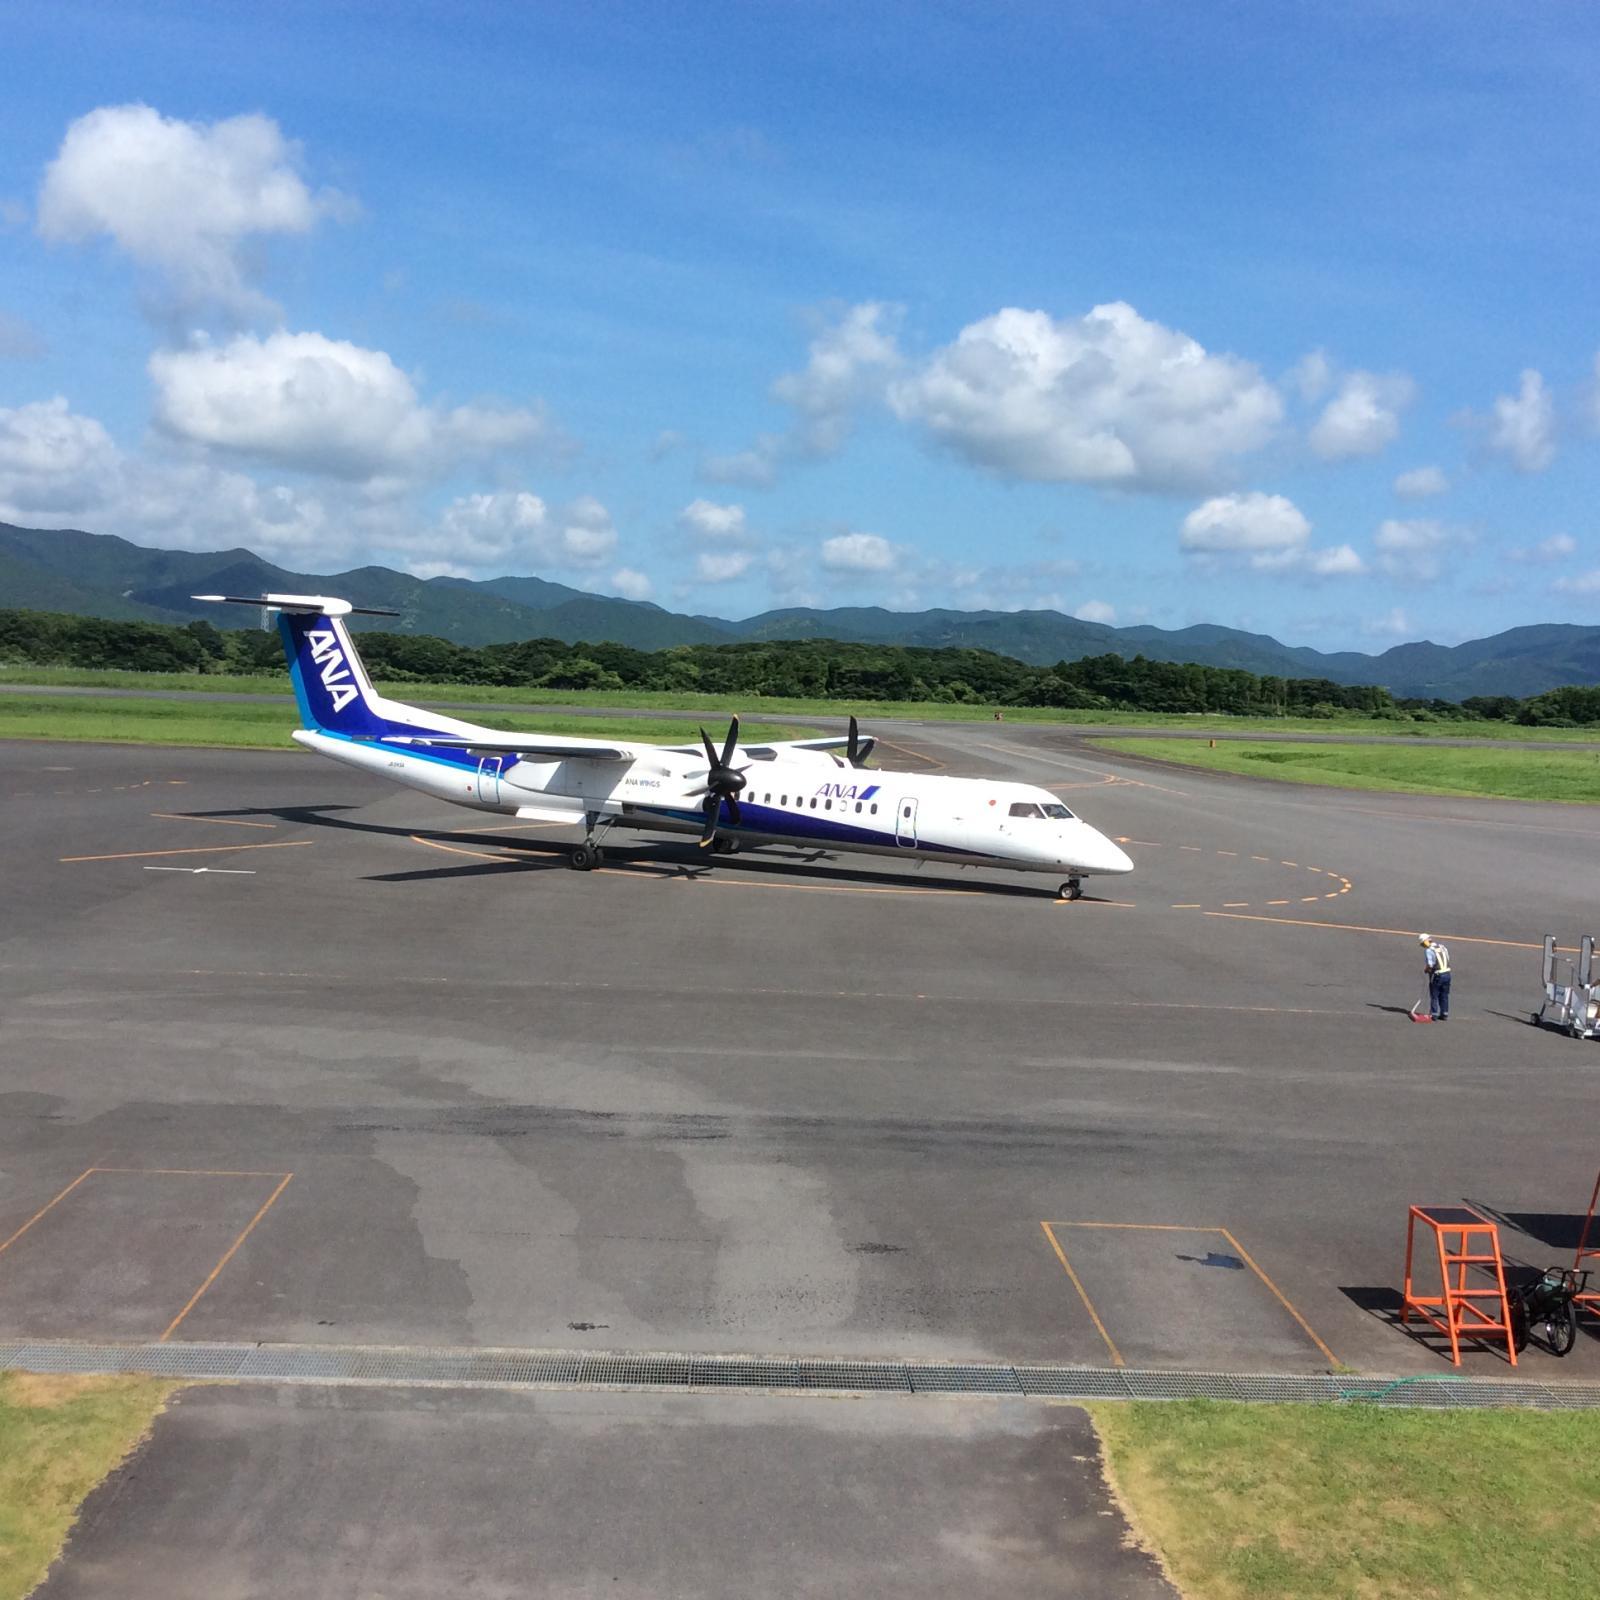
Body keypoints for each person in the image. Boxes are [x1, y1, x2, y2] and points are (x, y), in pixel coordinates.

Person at [1419, 933, 1451, 1021]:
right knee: (1444, 994)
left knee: (1434, 995)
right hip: (1447, 973)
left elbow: (1430, 964)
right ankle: (1444, 1013)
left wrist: (1426, 970)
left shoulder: (1429, 950)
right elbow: (1447, 958)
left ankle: (1434, 1014)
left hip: (1437, 975)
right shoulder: (1442, 946)